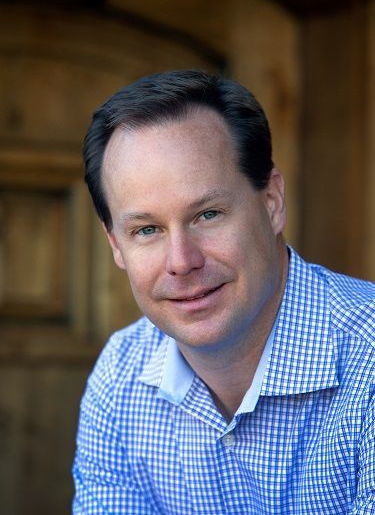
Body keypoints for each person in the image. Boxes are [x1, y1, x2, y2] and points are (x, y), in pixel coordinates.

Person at [72, 69, 375, 514]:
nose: (181, 260)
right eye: (148, 229)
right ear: (116, 244)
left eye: (208, 214)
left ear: (271, 203)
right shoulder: (120, 378)